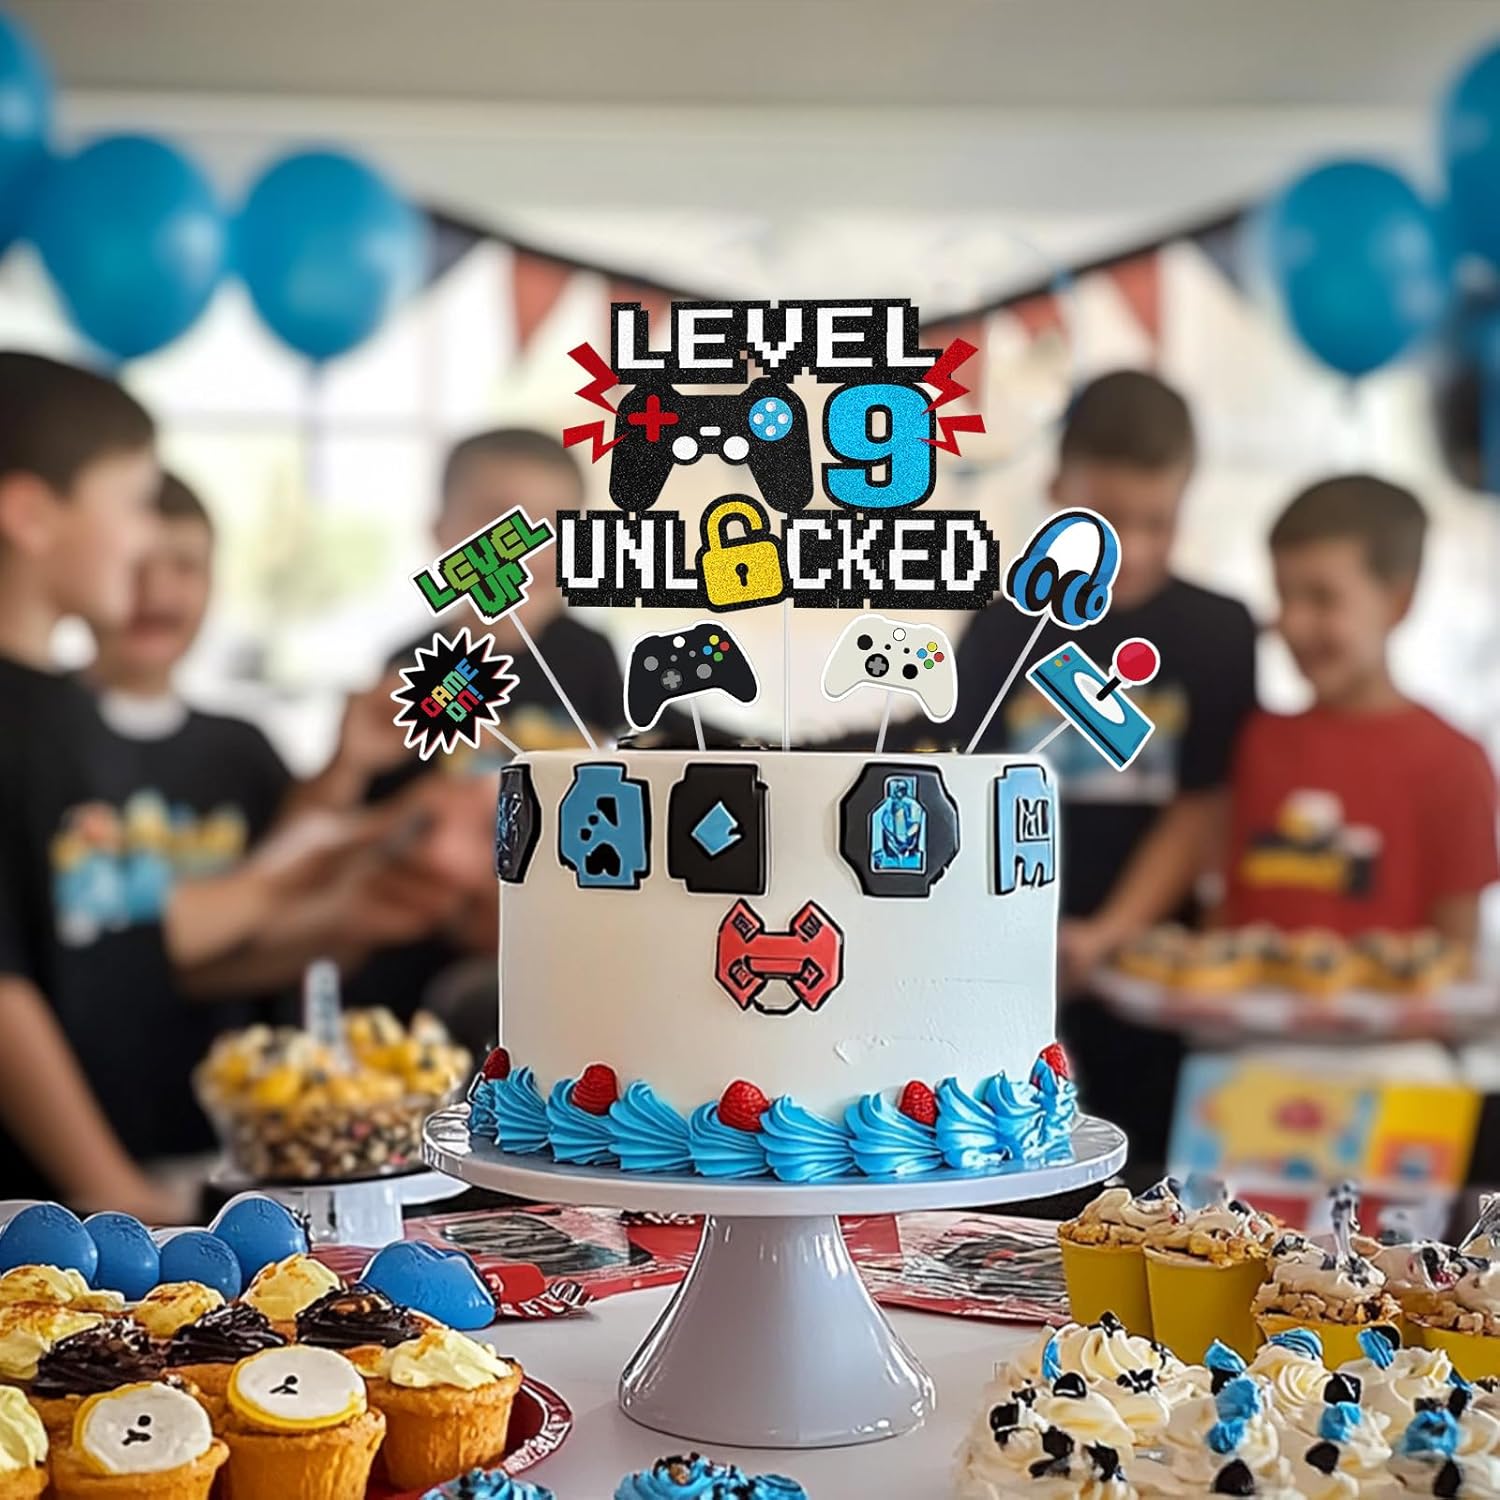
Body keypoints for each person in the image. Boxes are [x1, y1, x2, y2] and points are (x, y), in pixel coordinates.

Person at [948, 371, 1258, 1167]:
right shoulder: (1000, 630)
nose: (1135, 549)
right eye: (1108, 521)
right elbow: (967, 797)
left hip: (1155, 987)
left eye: (1159, 522)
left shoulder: (1220, 632)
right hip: (1010, 970)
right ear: (1057, 489)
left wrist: (1106, 936)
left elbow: (1202, 805)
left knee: (1149, 1188)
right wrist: (1026, 938)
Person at [1224, 475, 1498, 941]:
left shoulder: (1454, 764)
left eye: (1322, 598)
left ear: (1398, 603)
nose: (1293, 623)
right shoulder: (1254, 740)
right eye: (1284, 595)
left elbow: (1455, 954)